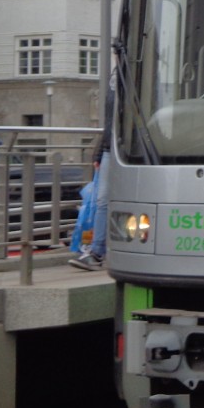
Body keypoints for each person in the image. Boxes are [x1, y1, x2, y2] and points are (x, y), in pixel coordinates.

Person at [70, 85, 114, 271]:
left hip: (134, 148)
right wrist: (98, 153)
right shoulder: (113, 84)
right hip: (111, 149)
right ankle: (96, 252)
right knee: (102, 200)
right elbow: (110, 124)